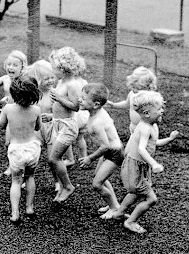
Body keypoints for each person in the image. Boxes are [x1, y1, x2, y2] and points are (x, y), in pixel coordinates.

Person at [110, 90, 179, 233]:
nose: (162, 111)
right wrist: (154, 163)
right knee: (151, 199)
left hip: (140, 166)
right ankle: (130, 221)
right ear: (147, 113)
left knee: (135, 193)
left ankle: (118, 213)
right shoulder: (145, 128)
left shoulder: (152, 126)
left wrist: (169, 139)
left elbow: (154, 143)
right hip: (135, 166)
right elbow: (142, 149)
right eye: (159, 109)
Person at [24, 59, 79, 192]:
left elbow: (60, 113)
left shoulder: (55, 93)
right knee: (31, 156)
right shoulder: (34, 93)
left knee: (52, 159)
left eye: (51, 77)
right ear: (37, 80)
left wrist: (50, 116)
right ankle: (28, 178)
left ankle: (57, 182)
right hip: (36, 129)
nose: (50, 81)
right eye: (45, 79)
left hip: (51, 128)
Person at [0, 76, 42, 223]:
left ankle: (15, 213)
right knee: (30, 177)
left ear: (13, 93)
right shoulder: (36, 110)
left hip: (16, 149)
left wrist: (0, 114)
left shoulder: (8, 109)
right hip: (32, 148)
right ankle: (29, 207)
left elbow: (1, 125)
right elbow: (37, 127)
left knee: (16, 181)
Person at [77, 83, 124, 219]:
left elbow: (105, 146)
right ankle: (114, 205)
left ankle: (114, 208)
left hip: (114, 153)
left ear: (96, 104)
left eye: (84, 98)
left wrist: (89, 158)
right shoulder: (95, 112)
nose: (80, 100)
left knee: (97, 184)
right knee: (100, 178)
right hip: (110, 151)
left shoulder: (98, 122)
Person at [48, 46, 86, 203]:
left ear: (63, 69)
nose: (53, 71)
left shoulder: (73, 85)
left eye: (55, 68)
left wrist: (59, 99)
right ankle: (63, 186)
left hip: (68, 126)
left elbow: (76, 107)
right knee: (54, 159)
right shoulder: (61, 81)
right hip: (57, 123)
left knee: (53, 159)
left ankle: (68, 186)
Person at [0, 50, 28, 176]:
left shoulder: (24, 81)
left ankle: (21, 167)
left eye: (15, 65)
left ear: (22, 67)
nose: (11, 68)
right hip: (8, 114)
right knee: (8, 143)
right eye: (9, 64)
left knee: (18, 142)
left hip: (20, 114)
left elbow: (27, 99)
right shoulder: (5, 79)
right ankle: (12, 165)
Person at [107, 66, 158, 135]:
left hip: (146, 128)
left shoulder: (149, 99)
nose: (135, 90)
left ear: (149, 88)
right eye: (133, 87)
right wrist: (114, 105)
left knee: (145, 144)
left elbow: (156, 114)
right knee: (134, 143)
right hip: (134, 126)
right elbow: (126, 104)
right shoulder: (132, 94)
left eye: (138, 88)